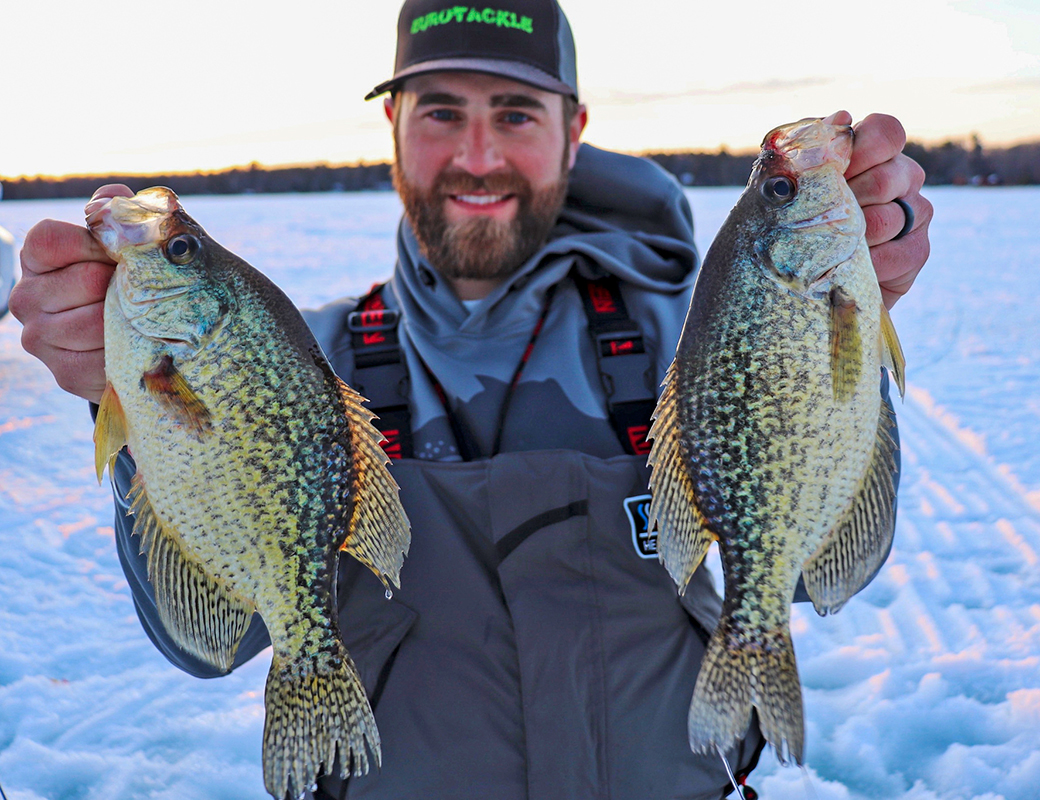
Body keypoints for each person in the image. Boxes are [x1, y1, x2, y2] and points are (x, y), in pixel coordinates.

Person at [10, 0, 932, 796]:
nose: (478, 154)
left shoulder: (694, 332)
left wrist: (837, 329)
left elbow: (823, 568)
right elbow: (212, 638)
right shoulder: (302, 361)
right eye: (441, 111)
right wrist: (128, 404)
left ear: (574, 130)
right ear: (394, 127)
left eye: (517, 114)